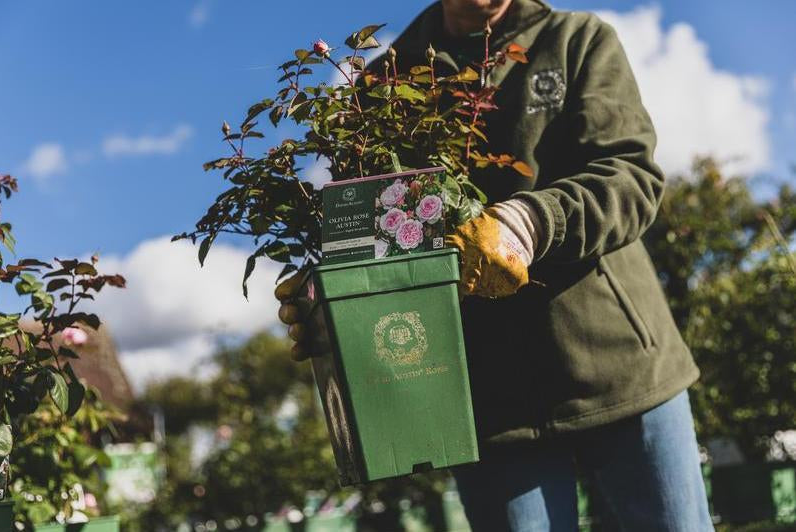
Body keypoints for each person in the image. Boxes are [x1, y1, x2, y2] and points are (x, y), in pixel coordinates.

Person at [276, 0, 714, 529]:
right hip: (485, 397)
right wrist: (334, 299)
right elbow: (373, 233)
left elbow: (630, 178)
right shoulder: (384, 82)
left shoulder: (576, 40)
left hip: (619, 370)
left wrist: (529, 221)